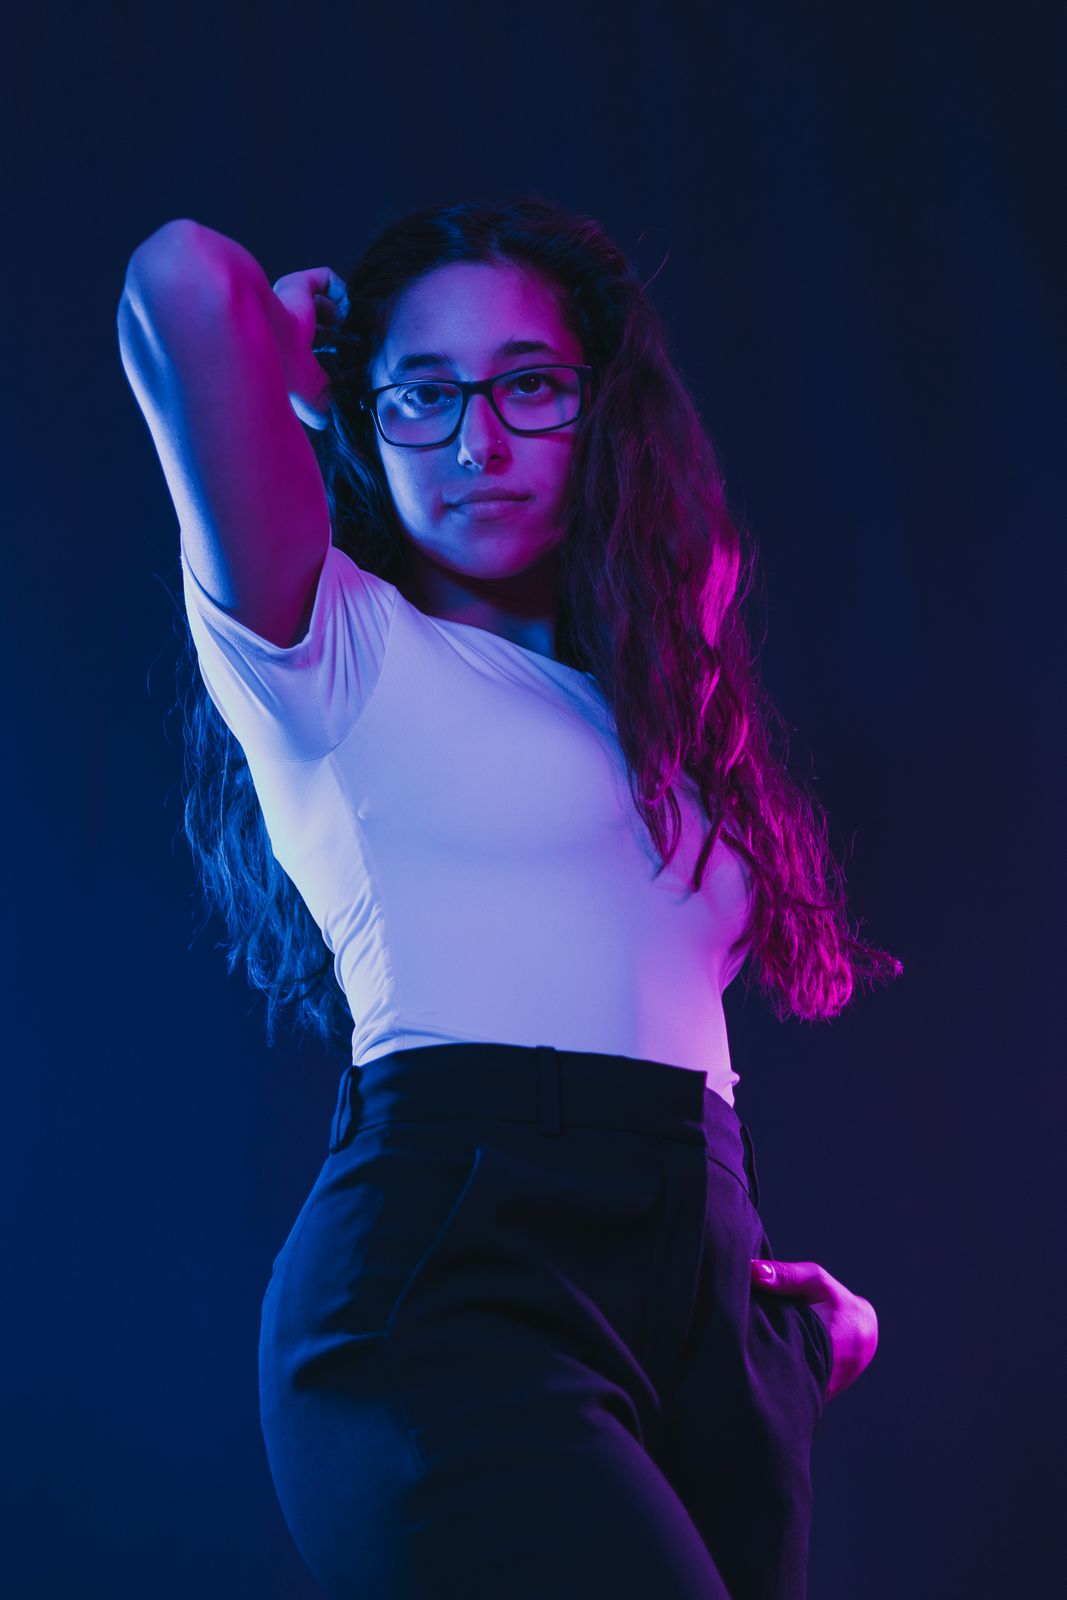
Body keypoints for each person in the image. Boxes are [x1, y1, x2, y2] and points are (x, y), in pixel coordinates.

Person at [117, 194, 895, 1599]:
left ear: (605, 410)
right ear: (366, 419)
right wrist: (291, 358)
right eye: (422, 396)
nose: (477, 443)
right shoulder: (328, 647)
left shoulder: (656, 713)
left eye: (528, 386)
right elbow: (177, 284)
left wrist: (761, 1313)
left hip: (704, 1318)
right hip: (454, 1292)